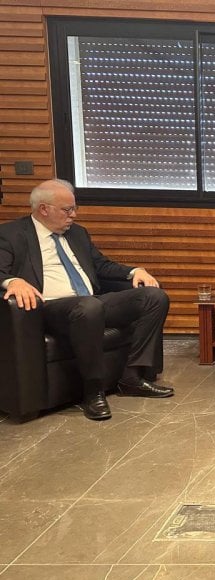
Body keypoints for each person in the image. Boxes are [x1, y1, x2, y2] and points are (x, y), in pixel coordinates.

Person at [0, 179, 173, 421]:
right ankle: (93, 391)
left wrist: (135, 271)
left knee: (154, 297)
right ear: (43, 209)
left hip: (90, 303)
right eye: (67, 210)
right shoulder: (11, 234)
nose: (73, 215)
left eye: (75, 208)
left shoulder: (77, 233)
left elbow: (101, 265)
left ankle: (131, 377)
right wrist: (11, 281)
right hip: (49, 308)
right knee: (88, 306)